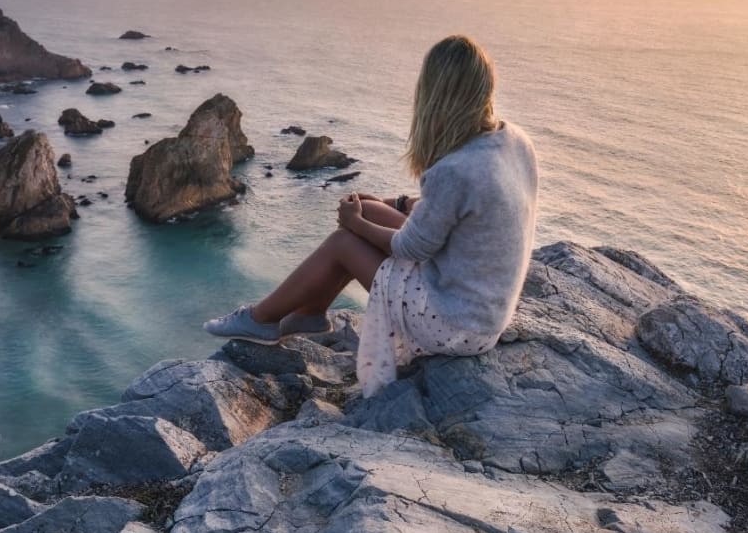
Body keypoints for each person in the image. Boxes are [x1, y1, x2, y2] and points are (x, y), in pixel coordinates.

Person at [204, 34, 539, 397]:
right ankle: (311, 313)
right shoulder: (514, 140)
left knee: (344, 242)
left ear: (436, 95)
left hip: (457, 326)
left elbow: (412, 248)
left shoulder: (454, 169)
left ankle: (261, 319)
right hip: (485, 308)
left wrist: (356, 224)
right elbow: (458, 212)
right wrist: (389, 203)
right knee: (372, 210)